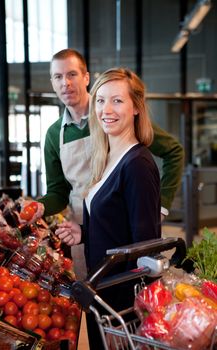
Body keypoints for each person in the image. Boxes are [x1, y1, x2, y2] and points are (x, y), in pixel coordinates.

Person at [22, 48, 183, 278]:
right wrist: (41, 207)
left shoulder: (122, 133)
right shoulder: (54, 134)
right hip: (89, 231)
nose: (65, 83)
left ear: (87, 77)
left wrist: (162, 206)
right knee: (92, 299)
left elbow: (172, 152)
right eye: (58, 77)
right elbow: (59, 192)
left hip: (124, 245)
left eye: (72, 74)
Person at [56, 67, 161, 349]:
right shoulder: (107, 158)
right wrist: (84, 232)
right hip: (100, 291)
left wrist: (129, 311)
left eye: (117, 100)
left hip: (120, 304)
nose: (106, 109)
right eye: (100, 100)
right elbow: (117, 225)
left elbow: (146, 247)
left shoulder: (137, 164)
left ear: (136, 107)